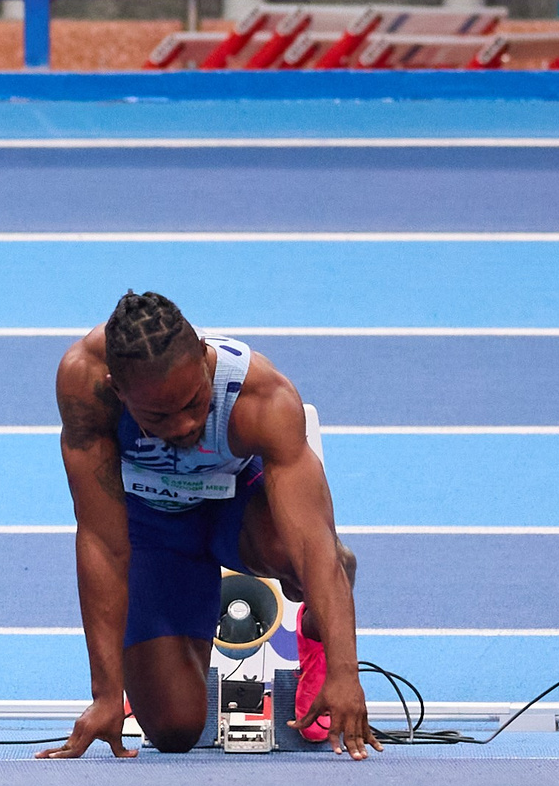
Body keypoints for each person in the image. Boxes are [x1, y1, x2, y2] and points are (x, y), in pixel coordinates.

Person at [41, 290, 376, 760]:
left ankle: (316, 632)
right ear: (118, 391)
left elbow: (312, 544)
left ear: (203, 358)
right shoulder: (84, 384)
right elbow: (101, 541)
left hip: (237, 510)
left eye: (194, 403)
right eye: (158, 416)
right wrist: (105, 696)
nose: (182, 426)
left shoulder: (262, 395)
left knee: (312, 556)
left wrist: (346, 673)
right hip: (153, 530)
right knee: (174, 729)